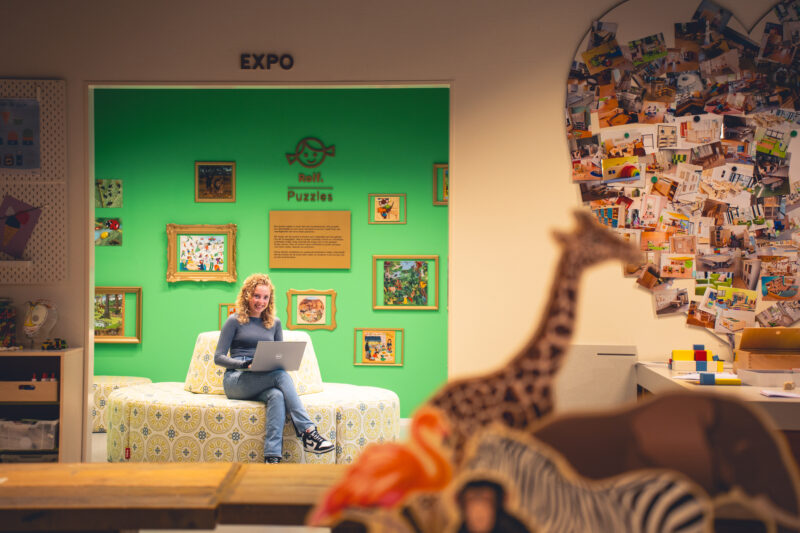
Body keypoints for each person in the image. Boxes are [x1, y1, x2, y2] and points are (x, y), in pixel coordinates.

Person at [214, 272, 334, 463]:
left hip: (261, 378)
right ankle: (308, 432)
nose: (261, 301)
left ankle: (272, 457)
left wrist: (277, 362)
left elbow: (278, 355)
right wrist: (244, 364)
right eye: (256, 296)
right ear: (247, 295)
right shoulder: (234, 320)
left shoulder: (274, 323)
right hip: (236, 380)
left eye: (265, 297)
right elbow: (218, 357)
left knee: (277, 395)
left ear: (270, 299)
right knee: (279, 375)